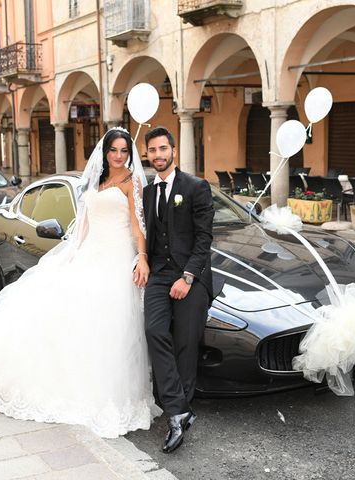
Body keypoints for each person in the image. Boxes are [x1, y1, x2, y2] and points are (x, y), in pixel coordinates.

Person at [0, 128, 159, 438]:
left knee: (110, 326)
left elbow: (137, 223)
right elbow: (85, 225)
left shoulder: (131, 181)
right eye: (113, 150)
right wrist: (72, 255)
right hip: (91, 253)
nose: (119, 156)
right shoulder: (95, 181)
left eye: (123, 151)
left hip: (117, 258)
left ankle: (103, 390)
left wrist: (142, 256)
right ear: (105, 152)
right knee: (65, 315)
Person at [142, 126, 214, 454]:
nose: (158, 155)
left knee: (186, 343)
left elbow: (204, 238)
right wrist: (141, 261)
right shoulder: (148, 191)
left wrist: (187, 278)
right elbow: (151, 237)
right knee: (155, 330)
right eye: (152, 150)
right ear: (148, 155)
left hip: (191, 275)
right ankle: (178, 409)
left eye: (162, 149)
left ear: (173, 150)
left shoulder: (196, 187)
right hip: (159, 273)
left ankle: (178, 412)